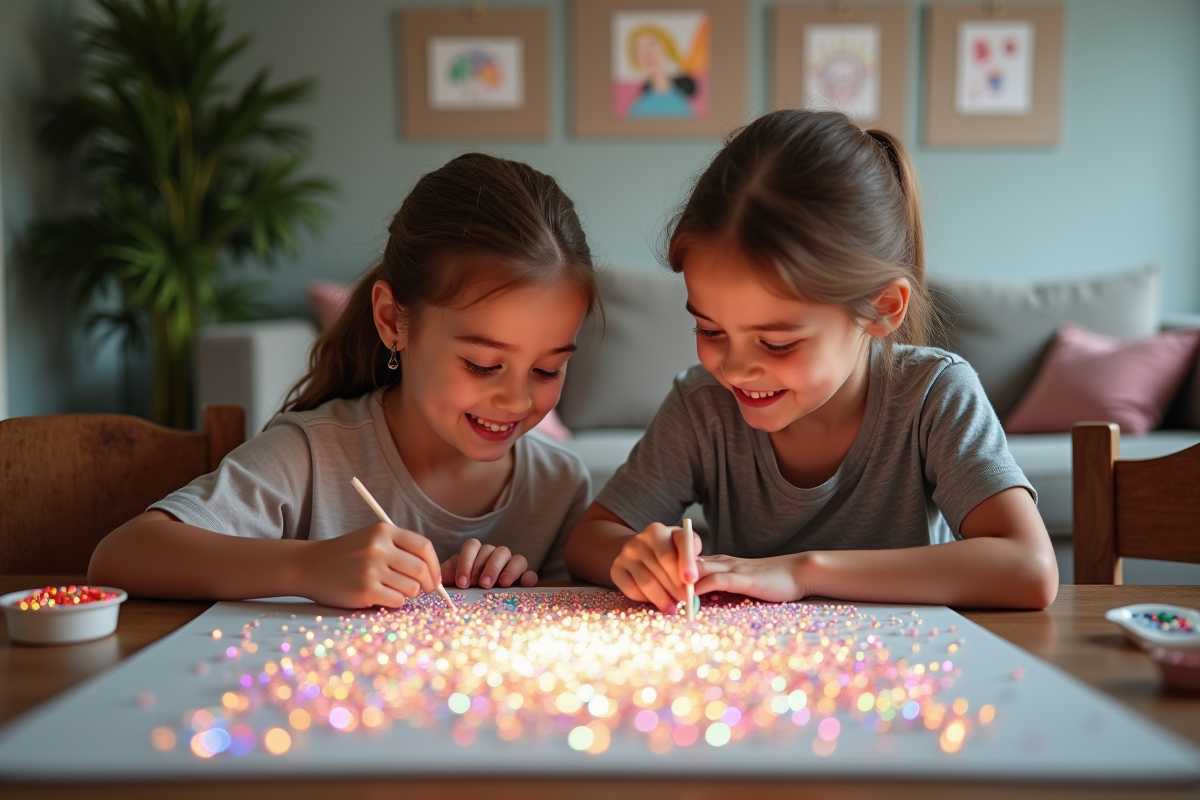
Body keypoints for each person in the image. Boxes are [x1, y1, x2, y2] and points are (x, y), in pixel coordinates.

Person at [565, 110, 1058, 612]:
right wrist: (640, 556)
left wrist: (802, 571)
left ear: (882, 309)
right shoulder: (703, 406)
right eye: (710, 330)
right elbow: (589, 540)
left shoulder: (934, 394)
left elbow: (1030, 569)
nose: (735, 369)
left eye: (777, 343)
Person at [90, 153, 599, 608]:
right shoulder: (310, 456)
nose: (515, 400)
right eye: (483, 365)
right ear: (391, 321)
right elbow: (120, 556)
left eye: (546, 369)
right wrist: (309, 567)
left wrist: (509, 599)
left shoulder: (560, 486)